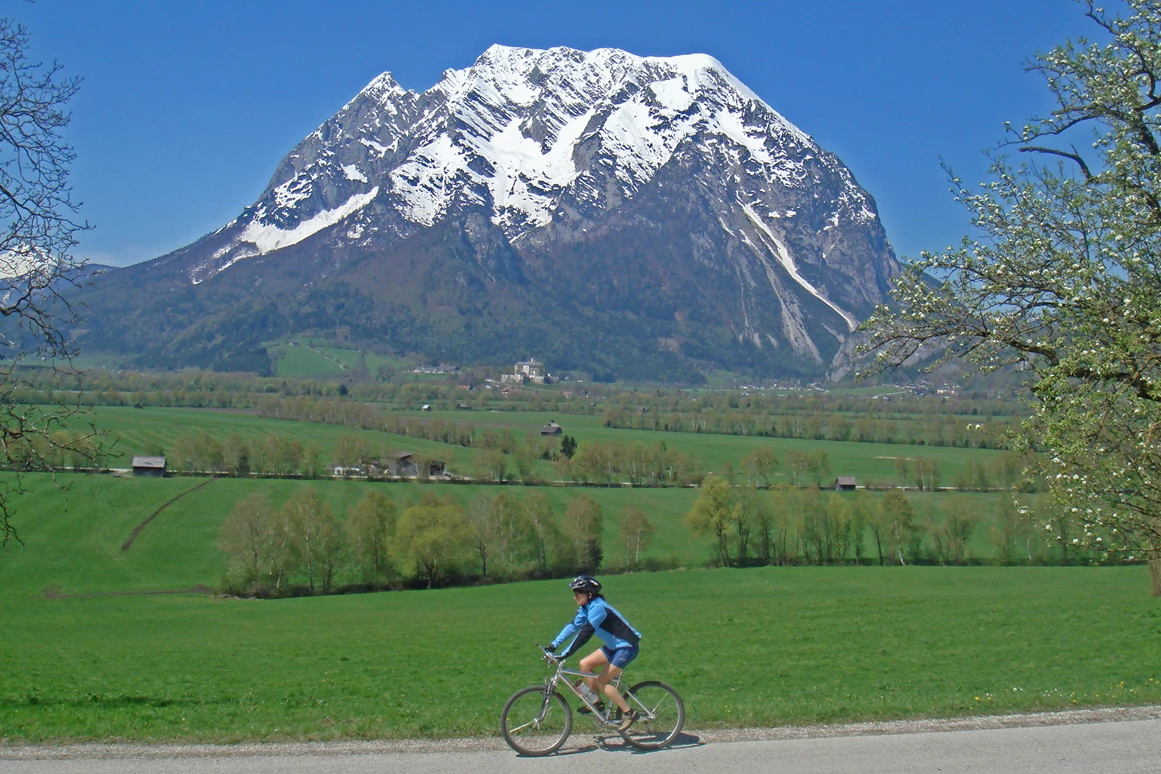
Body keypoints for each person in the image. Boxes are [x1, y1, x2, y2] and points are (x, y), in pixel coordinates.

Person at [547, 575, 642, 732]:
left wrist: (564, 654)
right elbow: (572, 627)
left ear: (589, 594)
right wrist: (553, 646)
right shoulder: (585, 608)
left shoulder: (597, 608)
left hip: (626, 647)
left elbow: (585, 633)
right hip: (614, 646)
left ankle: (629, 713)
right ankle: (596, 703)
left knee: (602, 682)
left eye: (578, 594)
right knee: (585, 664)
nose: (575, 597)